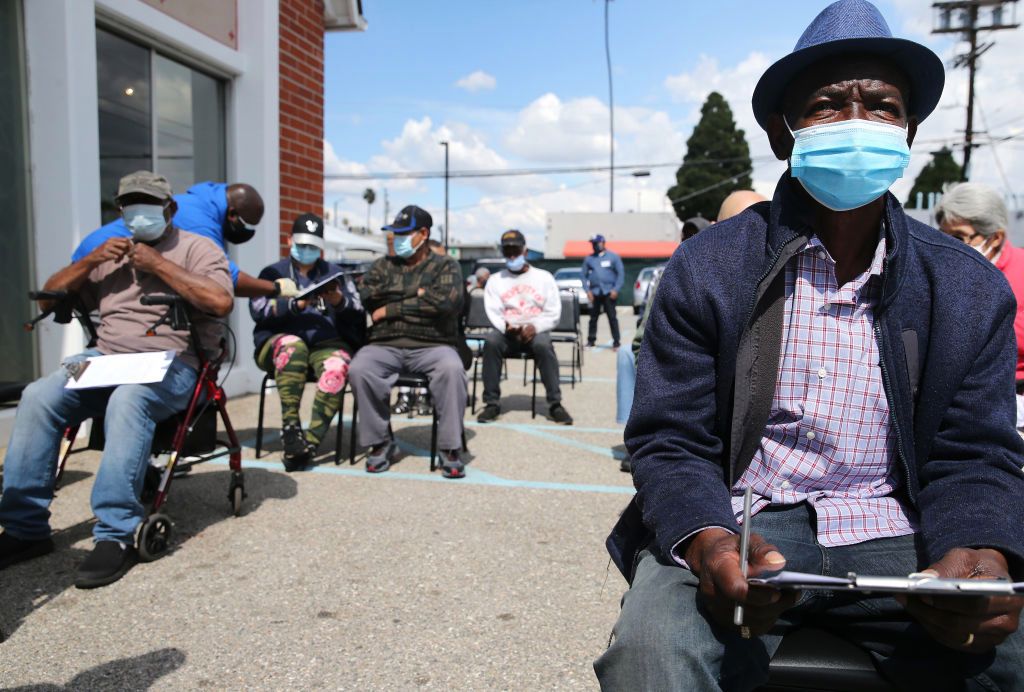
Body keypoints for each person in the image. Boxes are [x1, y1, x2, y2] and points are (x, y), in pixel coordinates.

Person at [595, 2, 1024, 689]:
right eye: (827, 104)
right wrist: (708, 542)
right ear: (781, 132)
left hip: (899, 531)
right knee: (651, 653)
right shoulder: (709, 268)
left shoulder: (967, 289)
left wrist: (981, 551)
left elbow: (976, 449)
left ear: (909, 128)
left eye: (881, 105)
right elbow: (670, 440)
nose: (857, 121)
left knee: (1007, 647)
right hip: (745, 523)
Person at [0, 171, 233, 588]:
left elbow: (219, 301)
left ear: (170, 208)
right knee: (38, 395)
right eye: (130, 204)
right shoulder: (106, 252)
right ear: (121, 210)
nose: (139, 212)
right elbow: (51, 294)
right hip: (106, 356)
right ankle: (23, 527)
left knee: (129, 398)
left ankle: (116, 532)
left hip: (174, 362)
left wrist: (158, 263)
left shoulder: (198, 247)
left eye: (149, 203)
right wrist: (90, 261)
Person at [347, 205, 468, 479]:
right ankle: (380, 442)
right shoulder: (382, 265)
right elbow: (367, 296)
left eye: (404, 233)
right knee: (360, 369)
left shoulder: (446, 265)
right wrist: (419, 293)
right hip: (384, 344)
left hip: (433, 345)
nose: (397, 239)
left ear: (423, 234)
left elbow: (445, 303)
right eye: (395, 234)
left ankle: (450, 447)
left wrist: (391, 309)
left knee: (451, 369)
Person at [249, 213, 365, 471]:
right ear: (289, 240)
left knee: (338, 365)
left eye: (313, 246)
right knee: (293, 347)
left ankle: (308, 444)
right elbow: (257, 309)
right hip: (278, 344)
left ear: (321, 247)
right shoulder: (272, 272)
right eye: (301, 244)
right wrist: (293, 304)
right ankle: (291, 428)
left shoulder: (336, 274)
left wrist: (338, 301)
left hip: (326, 344)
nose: (306, 250)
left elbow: (358, 310)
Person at [73, 181, 288, 298]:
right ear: (232, 215)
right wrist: (275, 289)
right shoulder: (200, 220)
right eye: (247, 226)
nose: (248, 232)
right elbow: (226, 281)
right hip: (100, 272)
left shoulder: (203, 205)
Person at [934, 183, 1024, 431]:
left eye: (959, 237)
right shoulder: (943, 274)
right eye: (941, 235)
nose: (947, 246)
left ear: (995, 238)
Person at [476, 230, 574, 425]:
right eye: (508, 252)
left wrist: (535, 326)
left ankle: (555, 404)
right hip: (508, 332)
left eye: (516, 251)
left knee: (544, 346)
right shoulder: (495, 281)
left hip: (535, 331)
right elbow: (493, 311)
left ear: (525, 251)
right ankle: (492, 403)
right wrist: (506, 327)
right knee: (491, 342)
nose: (512, 256)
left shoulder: (544, 278)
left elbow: (553, 312)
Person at [581, 234, 624, 348]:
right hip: (595, 293)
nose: (594, 246)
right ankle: (591, 340)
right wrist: (587, 290)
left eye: (596, 243)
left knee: (612, 318)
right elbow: (583, 276)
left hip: (609, 293)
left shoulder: (613, 257)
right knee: (593, 318)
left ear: (602, 243)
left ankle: (616, 341)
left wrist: (616, 289)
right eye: (593, 244)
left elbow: (620, 274)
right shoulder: (589, 259)